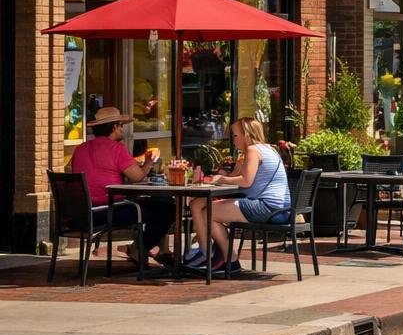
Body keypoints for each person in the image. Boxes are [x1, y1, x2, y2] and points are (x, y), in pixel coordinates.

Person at [69, 106, 174, 268]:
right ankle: (139, 249)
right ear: (113, 127)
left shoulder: (80, 149)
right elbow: (138, 177)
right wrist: (149, 163)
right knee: (167, 208)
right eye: (120, 126)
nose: (122, 129)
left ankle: (158, 250)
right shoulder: (116, 149)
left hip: (81, 212)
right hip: (108, 210)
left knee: (158, 203)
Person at [188, 117, 290, 274]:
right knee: (202, 206)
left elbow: (246, 181)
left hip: (268, 209)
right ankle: (214, 255)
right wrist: (233, 171)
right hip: (282, 210)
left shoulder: (253, 151)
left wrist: (220, 178)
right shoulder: (269, 149)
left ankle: (227, 259)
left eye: (235, 135)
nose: (233, 140)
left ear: (247, 135)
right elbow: (246, 179)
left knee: (206, 212)